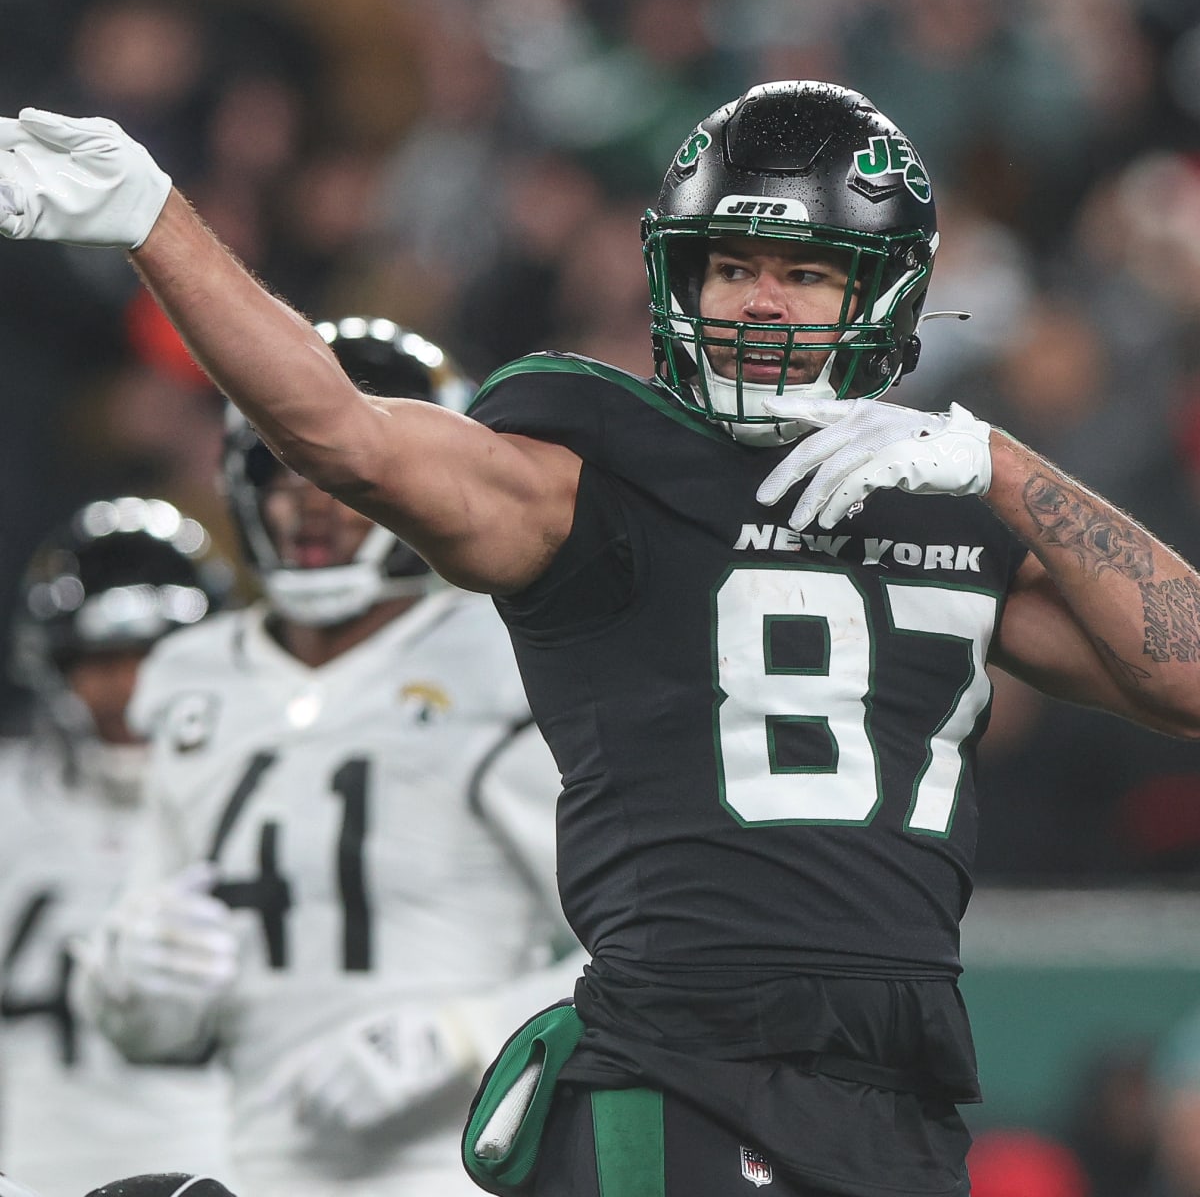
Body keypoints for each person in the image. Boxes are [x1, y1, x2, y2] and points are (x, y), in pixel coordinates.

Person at [4, 79, 1200, 1196]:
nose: (758, 302)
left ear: (881, 289)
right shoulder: (594, 474)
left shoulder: (952, 500)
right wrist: (157, 219)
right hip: (683, 1052)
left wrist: (1004, 465)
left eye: (803, 269)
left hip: (905, 1070)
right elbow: (344, 436)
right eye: (729, 267)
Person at [69, 319, 583, 1197]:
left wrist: (466, 1031)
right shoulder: (194, 677)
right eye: (285, 472)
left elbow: (640, 946)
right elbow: (150, 1030)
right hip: (245, 1163)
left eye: (347, 478)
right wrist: (129, 978)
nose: (311, 503)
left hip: (465, 1167)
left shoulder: (507, 656)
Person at [0, 497, 233, 1197]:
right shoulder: (11, 801)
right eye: (103, 660)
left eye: (152, 657)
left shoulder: (276, 802)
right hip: (29, 1158)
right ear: (56, 665)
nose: (131, 691)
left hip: (222, 1163)